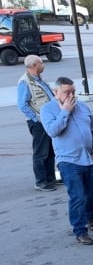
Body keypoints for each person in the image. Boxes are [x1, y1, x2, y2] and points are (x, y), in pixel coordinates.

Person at [40, 77, 93, 245]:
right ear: (56, 92)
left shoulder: (82, 106)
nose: (71, 95)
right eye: (67, 92)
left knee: (91, 192)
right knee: (77, 196)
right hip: (68, 160)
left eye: (73, 91)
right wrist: (65, 112)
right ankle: (80, 231)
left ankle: (90, 217)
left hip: (89, 158)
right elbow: (53, 131)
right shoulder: (48, 109)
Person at [17, 54, 57, 192]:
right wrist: (36, 119)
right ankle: (41, 181)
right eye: (41, 63)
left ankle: (50, 178)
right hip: (39, 123)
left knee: (50, 150)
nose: (43, 65)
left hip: (48, 120)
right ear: (34, 66)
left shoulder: (38, 79)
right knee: (41, 152)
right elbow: (22, 104)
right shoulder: (25, 82)